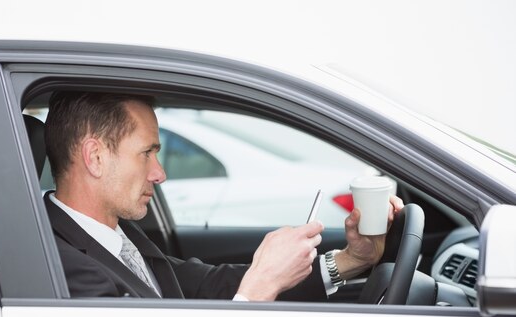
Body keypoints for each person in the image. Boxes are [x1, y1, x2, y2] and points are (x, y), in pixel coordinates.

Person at [43, 91, 403, 301]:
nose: (160, 173)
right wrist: (258, 287)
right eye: (147, 153)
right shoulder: (60, 265)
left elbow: (203, 283)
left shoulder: (114, 235)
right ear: (95, 157)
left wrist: (351, 260)